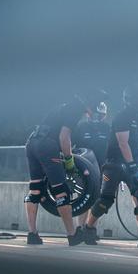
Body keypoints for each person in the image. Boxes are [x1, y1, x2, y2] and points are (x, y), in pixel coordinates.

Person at [82, 85, 138, 248]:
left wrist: (137, 166)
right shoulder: (122, 117)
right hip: (114, 164)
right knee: (105, 200)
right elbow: (123, 143)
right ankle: (89, 228)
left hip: (134, 164)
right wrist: (132, 165)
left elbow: (137, 144)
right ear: (134, 100)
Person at [23, 97, 91, 245]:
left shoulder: (62, 107)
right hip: (47, 145)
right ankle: (72, 236)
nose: (87, 115)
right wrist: (69, 161)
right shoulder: (76, 109)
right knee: (61, 190)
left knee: (35, 189)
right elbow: (64, 137)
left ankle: (32, 234)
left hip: (32, 142)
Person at [73, 91, 110, 229]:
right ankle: (79, 228)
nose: (97, 117)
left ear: (104, 115)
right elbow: (72, 147)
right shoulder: (80, 127)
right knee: (84, 197)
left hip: (101, 168)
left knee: (97, 200)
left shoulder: (107, 128)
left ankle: (91, 228)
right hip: (84, 170)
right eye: (95, 114)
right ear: (88, 114)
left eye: (100, 114)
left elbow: (112, 147)